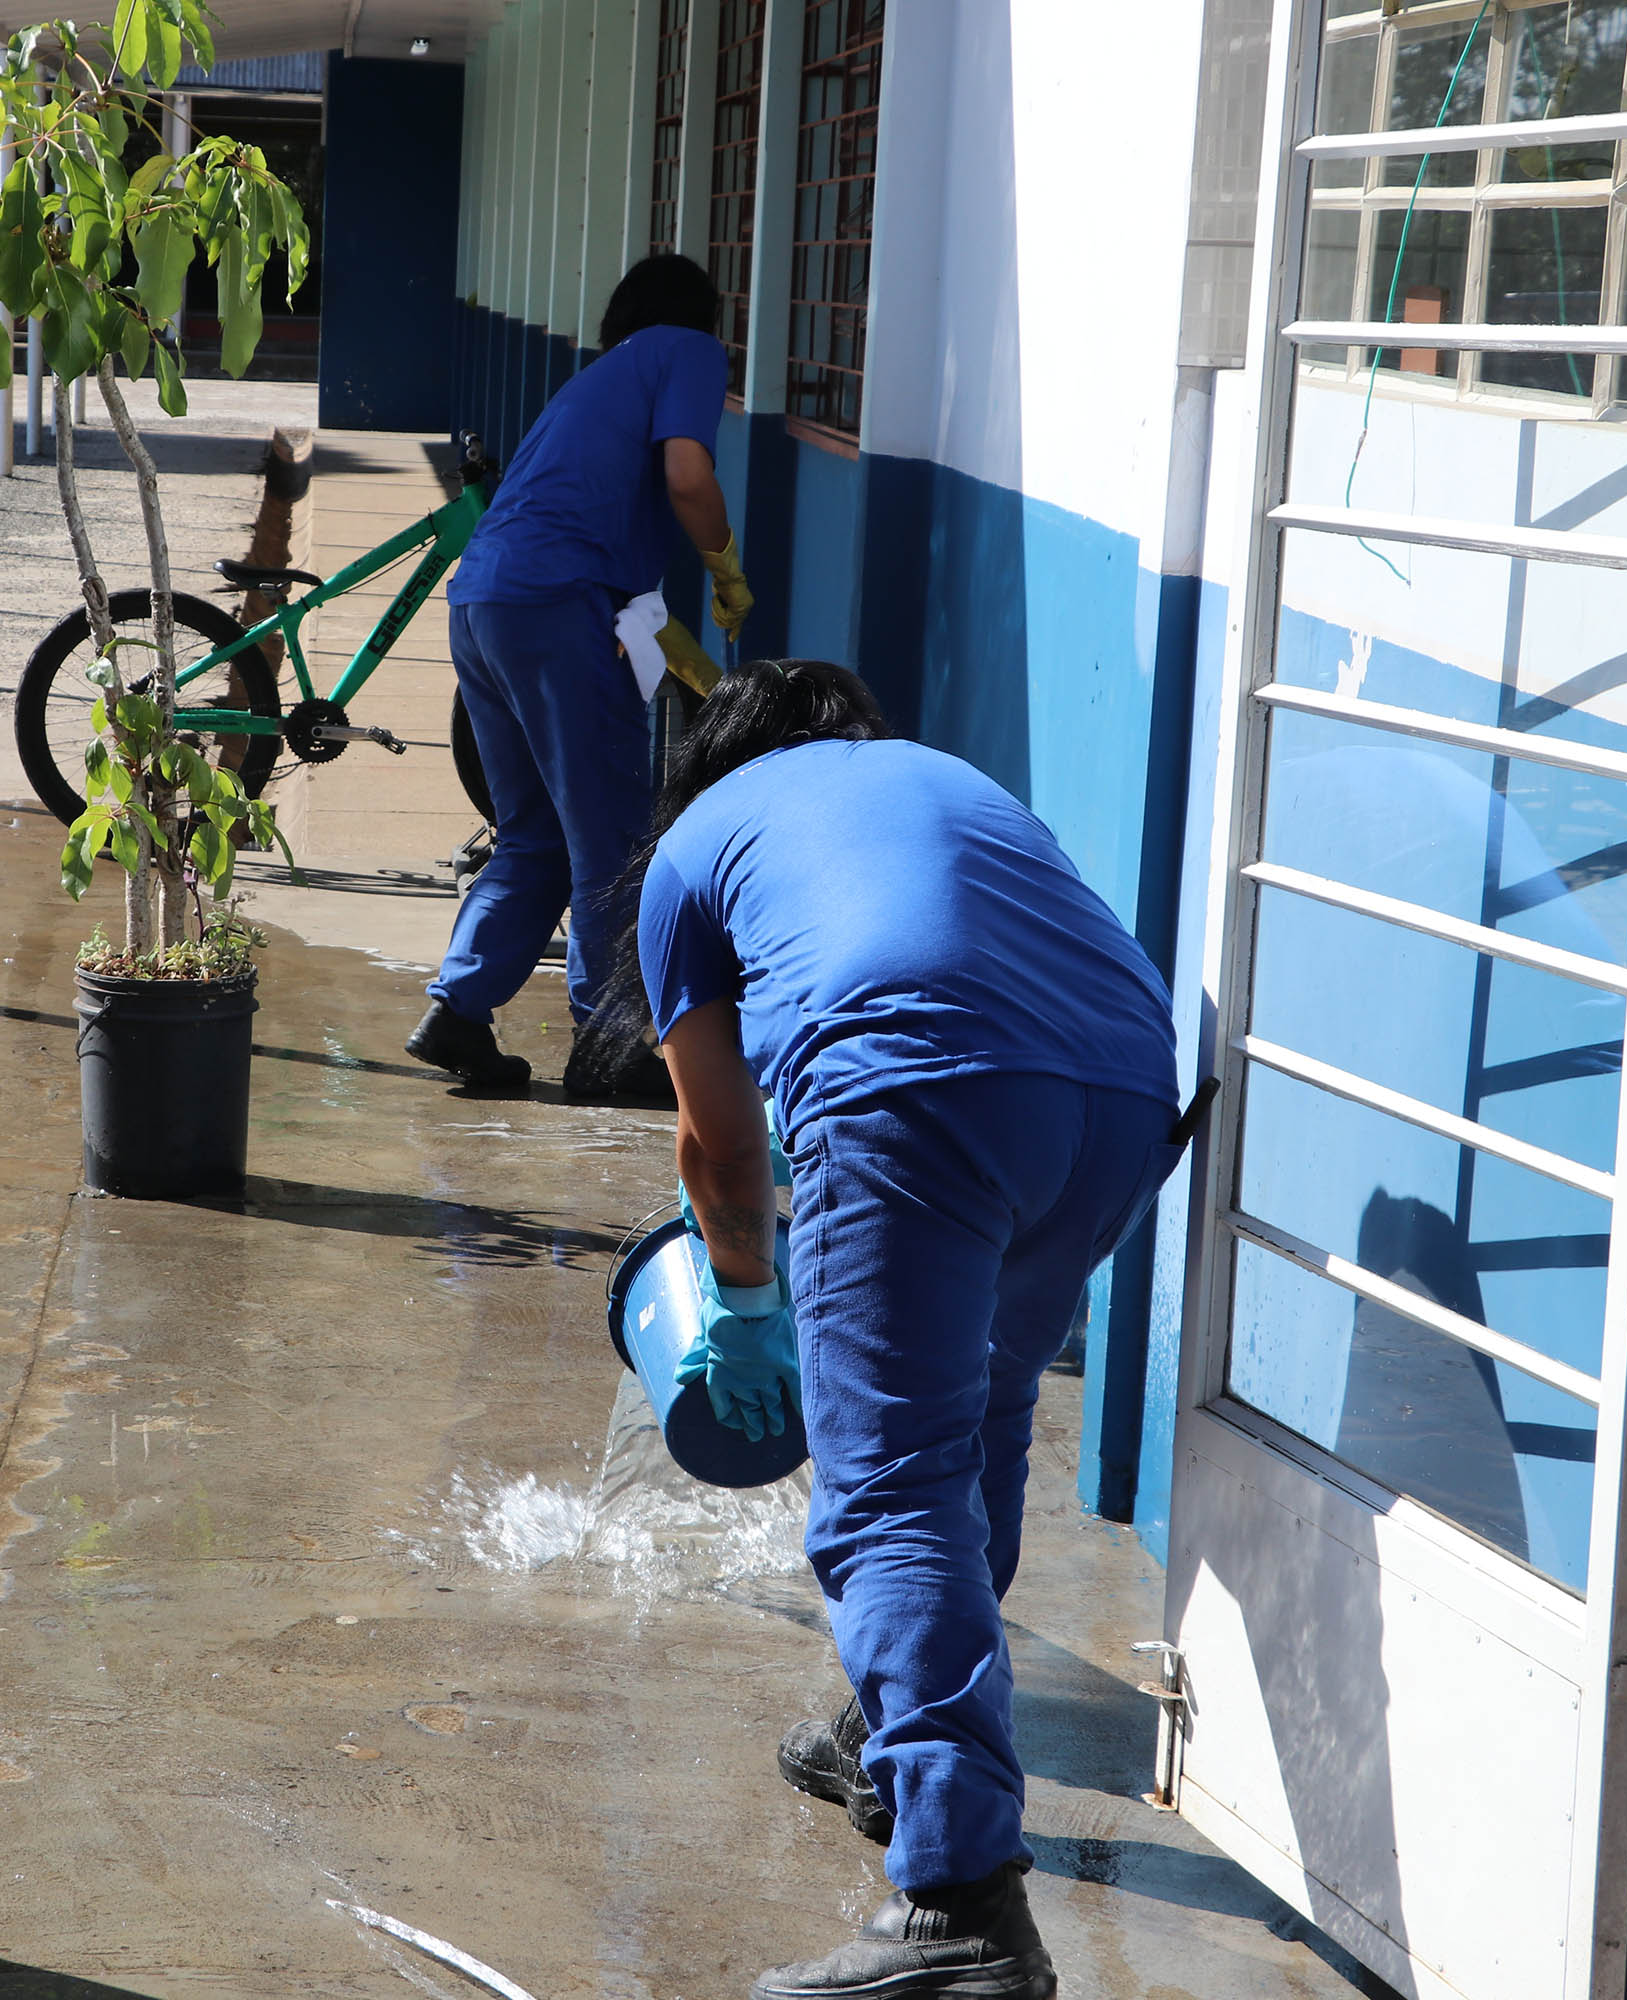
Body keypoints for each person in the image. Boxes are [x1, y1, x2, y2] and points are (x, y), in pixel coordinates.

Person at [628, 662, 1184, 2000]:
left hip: (916, 1083)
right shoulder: (944, 778)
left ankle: (959, 1906)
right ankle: (903, 1751)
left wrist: (744, 1305)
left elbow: (719, 1141)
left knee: (888, 1488)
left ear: (708, 762)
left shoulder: (692, 848)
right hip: (1124, 1091)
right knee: (980, 1418)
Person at [404, 252, 756, 1102]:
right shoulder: (686, 349)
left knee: (534, 832)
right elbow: (688, 475)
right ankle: (609, 1044)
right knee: (613, 839)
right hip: (559, 605)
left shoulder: (600, 380)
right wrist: (724, 563)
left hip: (483, 603)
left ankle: (459, 1009)